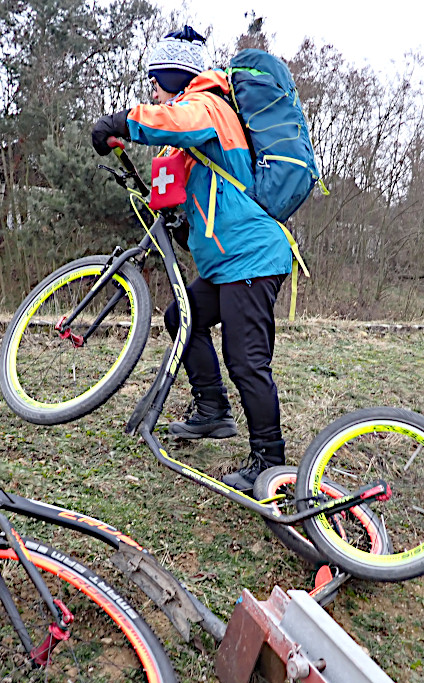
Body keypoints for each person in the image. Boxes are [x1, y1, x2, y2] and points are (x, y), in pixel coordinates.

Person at [91, 26, 292, 493]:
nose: (153, 93)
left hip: (252, 258)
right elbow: (192, 194)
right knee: (182, 316)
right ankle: (212, 412)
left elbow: (170, 121)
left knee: (246, 359)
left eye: (156, 83)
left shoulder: (207, 105)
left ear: (175, 77)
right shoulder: (197, 127)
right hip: (228, 263)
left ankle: (269, 458)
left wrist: (120, 122)